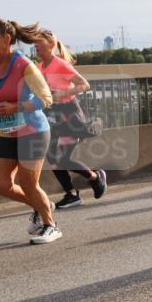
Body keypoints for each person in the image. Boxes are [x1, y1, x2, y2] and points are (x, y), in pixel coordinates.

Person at [0, 18, 59, 243]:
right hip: (9, 131)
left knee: (28, 183)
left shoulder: (23, 64)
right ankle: (42, 205)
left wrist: (15, 107)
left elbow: (46, 98)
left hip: (33, 131)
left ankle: (51, 226)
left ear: (7, 38)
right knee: (0, 184)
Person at [35, 29, 108, 208]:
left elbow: (84, 84)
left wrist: (63, 93)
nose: (36, 47)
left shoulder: (60, 65)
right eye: (35, 44)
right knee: (52, 159)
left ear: (51, 45)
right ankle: (72, 194)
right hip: (52, 115)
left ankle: (95, 177)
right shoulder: (39, 67)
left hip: (69, 115)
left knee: (64, 160)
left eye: (39, 44)